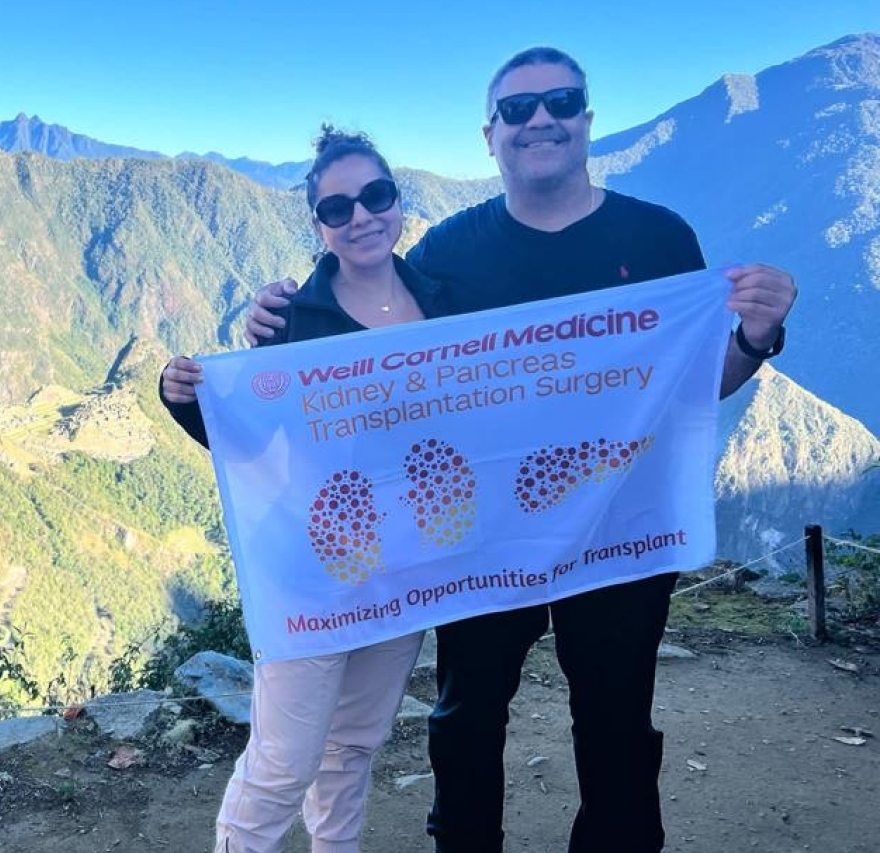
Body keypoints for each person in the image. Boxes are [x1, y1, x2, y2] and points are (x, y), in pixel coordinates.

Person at [242, 48, 797, 853]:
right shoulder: (449, 255)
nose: (541, 118)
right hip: (482, 538)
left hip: (618, 534)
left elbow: (696, 382)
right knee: (468, 718)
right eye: (518, 109)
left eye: (561, 101)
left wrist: (757, 335)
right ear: (490, 135)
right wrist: (279, 326)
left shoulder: (660, 237)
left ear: (586, 120)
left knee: (614, 722)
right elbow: (370, 345)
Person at [161, 127, 442, 853]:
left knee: (353, 748)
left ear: (398, 200)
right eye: (338, 208)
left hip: (403, 572)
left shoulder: (445, 306)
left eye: (375, 196)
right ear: (318, 225)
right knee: (283, 764)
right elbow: (251, 445)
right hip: (311, 572)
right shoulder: (291, 322)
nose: (362, 217)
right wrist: (188, 398)